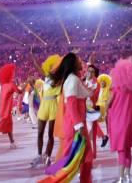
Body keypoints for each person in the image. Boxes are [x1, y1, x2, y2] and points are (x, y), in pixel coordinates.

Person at [39, 52, 95, 183]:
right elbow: (71, 104)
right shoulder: (72, 80)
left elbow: (86, 92)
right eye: (78, 60)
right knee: (70, 160)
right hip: (75, 126)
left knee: (85, 158)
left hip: (77, 125)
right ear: (73, 64)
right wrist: (79, 126)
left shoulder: (74, 78)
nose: (81, 62)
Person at [108, 59, 132, 183]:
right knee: (127, 149)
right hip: (129, 123)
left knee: (121, 150)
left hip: (118, 122)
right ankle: (127, 176)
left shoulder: (116, 89)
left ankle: (121, 178)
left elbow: (108, 104)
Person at [31, 53, 62, 168]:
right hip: (44, 105)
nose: (51, 68)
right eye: (50, 66)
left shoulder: (60, 79)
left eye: (54, 66)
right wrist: (33, 56)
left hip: (53, 105)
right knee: (40, 132)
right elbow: (38, 67)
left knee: (50, 135)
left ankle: (47, 157)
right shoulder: (46, 76)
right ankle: (39, 156)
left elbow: (56, 84)